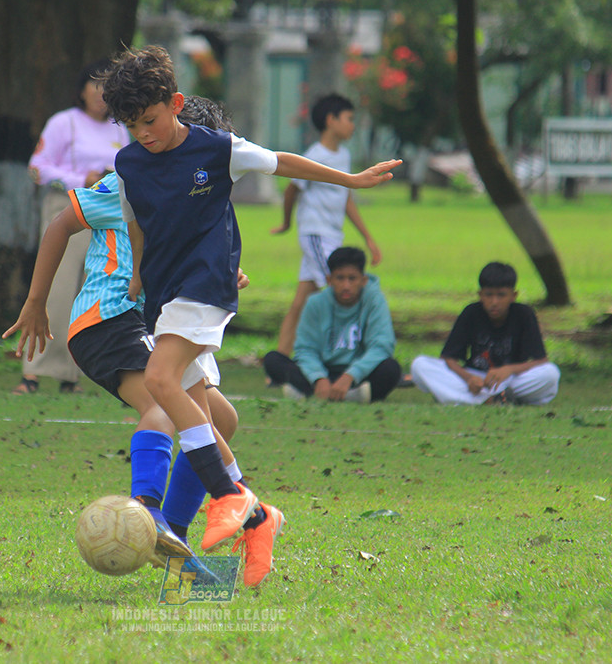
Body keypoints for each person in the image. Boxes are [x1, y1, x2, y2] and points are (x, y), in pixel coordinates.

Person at [100, 45, 401, 579]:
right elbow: (137, 224)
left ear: (176, 103)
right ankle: (259, 518)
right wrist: (140, 277)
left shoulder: (217, 149)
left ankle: (226, 497)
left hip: (205, 287)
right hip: (165, 299)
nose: (142, 133)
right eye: (131, 125)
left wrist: (351, 180)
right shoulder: (128, 164)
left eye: (149, 120)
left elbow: (283, 161)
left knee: (160, 380)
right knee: (210, 418)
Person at [2, 96, 267, 584]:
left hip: (155, 322)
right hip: (109, 317)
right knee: (163, 405)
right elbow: (61, 224)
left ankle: (173, 538)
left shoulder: (196, 192)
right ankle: (149, 510)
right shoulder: (128, 180)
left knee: (222, 420)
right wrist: (36, 302)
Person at [14, 59, 131, 395]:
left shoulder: (119, 129)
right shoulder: (63, 123)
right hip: (66, 210)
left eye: (108, 88)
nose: (100, 94)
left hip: (107, 213)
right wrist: (81, 179)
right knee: (57, 289)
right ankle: (32, 373)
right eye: (95, 85)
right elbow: (37, 168)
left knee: (91, 292)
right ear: (81, 90)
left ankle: (72, 375)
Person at [269, 93, 383, 357]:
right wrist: (286, 223)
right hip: (316, 235)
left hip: (332, 235)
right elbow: (291, 189)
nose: (353, 125)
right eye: (349, 119)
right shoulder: (315, 155)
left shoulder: (343, 155)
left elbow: (346, 199)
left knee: (300, 302)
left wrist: (367, 237)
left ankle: (278, 363)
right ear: (331, 120)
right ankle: (346, 356)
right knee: (341, 290)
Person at [410, 262, 561, 405]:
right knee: (420, 365)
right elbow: (449, 359)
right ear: (480, 295)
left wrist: (509, 370)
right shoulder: (471, 313)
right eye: (489, 295)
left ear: (513, 296)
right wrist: (469, 378)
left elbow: (541, 361)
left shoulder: (524, 314)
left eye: (501, 295)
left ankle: (472, 398)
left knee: (550, 373)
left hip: (510, 379)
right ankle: (495, 399)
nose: (494, 302)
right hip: (477, 379)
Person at [263, 246, 401, 403]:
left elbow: (382, 346)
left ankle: (310, 394)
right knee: (273, 360)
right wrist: (318, 378)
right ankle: (352, 395)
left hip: (359, 373)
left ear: (363, 281)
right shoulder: (316, 303)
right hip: (323, 370)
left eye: (352, 278)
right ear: (329, 280)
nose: (346, 286)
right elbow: (305, 349)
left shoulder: (374, 301)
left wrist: (351, 375)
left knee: (391, 368)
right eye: (340, 278)